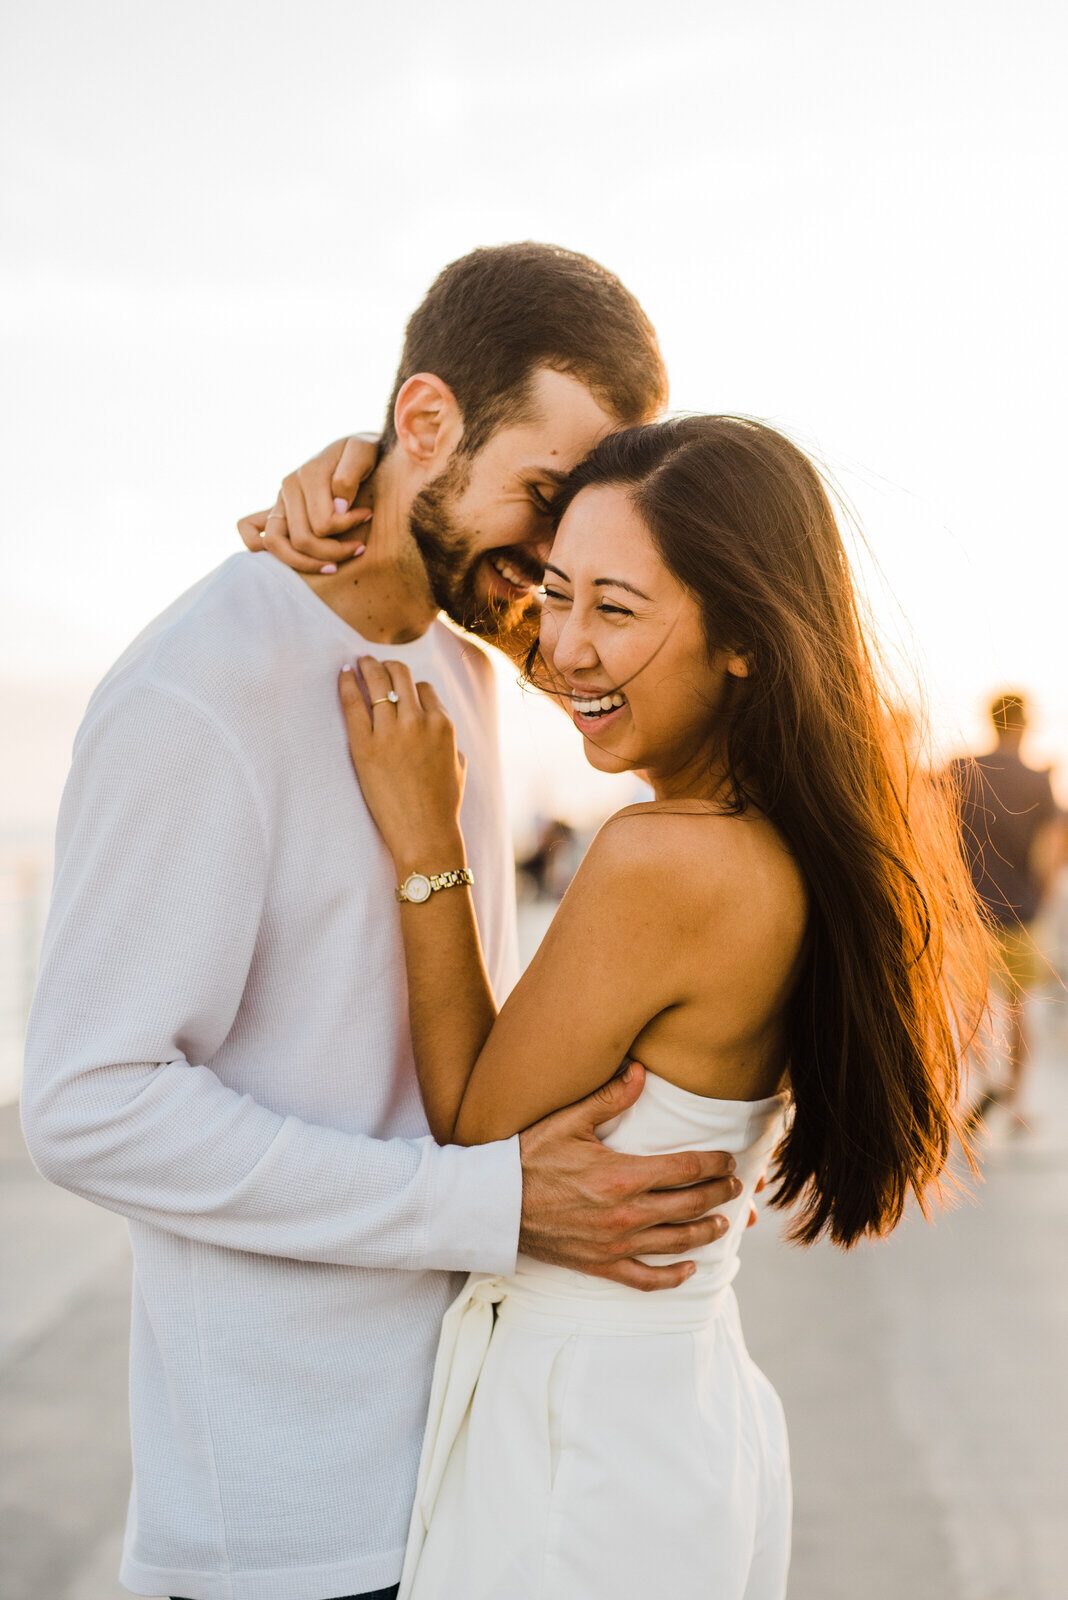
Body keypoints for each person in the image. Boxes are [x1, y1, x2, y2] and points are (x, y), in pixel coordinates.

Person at [20, 246, 748, 1600]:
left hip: (466, 1470)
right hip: (287, 1525)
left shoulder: (467, 662)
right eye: (544, 493)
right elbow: (86, 1103)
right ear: (424, 423)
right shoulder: (197, 693)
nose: (554, 556)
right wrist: (487, 1201)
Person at [309, 415, 989, 1600]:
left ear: (744, 639)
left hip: (584, 1440)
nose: (566, 645)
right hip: (671, 1412)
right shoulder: (777, 837)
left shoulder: (663, 859)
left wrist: (428, 844)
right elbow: (603, 653)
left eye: (614, 611)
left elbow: (472, 1125)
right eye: (554, 594)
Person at [949, 692, 1061, 1121]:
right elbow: (1048, 851)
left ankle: (985, 1081)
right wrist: (1042, 903)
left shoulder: (961, 769)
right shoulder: (1038, 779)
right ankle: (1015, 1105)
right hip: (1022, 914)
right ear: (1023, 724)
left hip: (969, 913)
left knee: (971, 1010)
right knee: (1018, 1010)